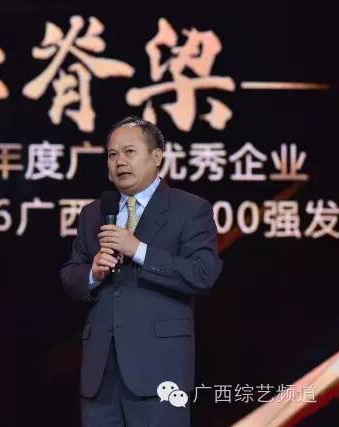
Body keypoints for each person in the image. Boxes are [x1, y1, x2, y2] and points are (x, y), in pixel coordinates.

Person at [61, 116, 222, 426]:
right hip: (100, 376)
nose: (120, 161)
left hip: (159, 371)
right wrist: (92, 273)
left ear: (156, 156)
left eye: (129, 152)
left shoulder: (190, 209)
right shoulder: (94, 213)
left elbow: (202, 273)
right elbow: (70, 274)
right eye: (112, 154)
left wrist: (138, 250)